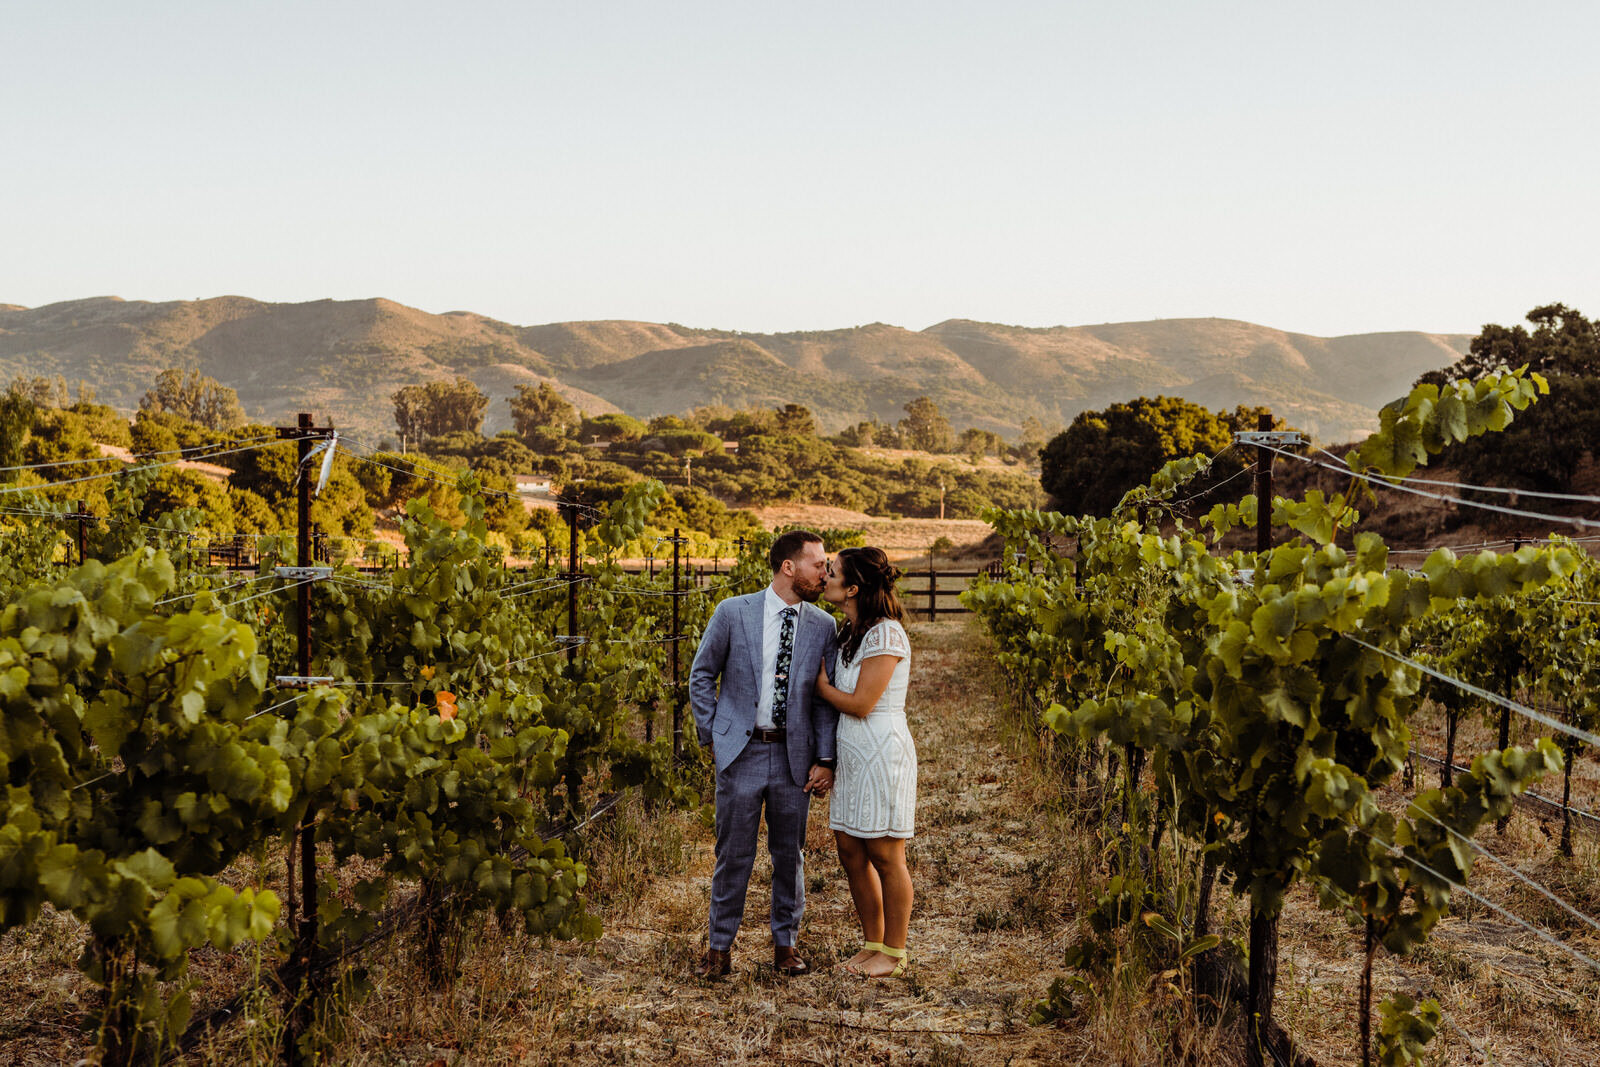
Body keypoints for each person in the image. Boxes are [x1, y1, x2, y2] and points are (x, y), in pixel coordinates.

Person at [688, 529, 839, 978]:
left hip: (795, 757)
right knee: (733, 853)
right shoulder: (733, 612)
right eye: (818, 563)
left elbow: (823, 701)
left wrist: (825, 758)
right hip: (740, 752)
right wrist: (711, 734)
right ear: (788, 567)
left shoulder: (823, 625)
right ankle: (718, 948)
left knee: (789, 855)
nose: (825, 571)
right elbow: (701, 675)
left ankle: (785, 946)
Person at [813, 546, 917, 978]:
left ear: (852, 588)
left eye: (831, 572)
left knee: (886, 853)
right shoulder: (848, 631)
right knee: (850, 849)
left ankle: (894, 952)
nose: (825, 577)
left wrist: (819, 687)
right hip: (853, 751)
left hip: (881, 750)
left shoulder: (887, 634)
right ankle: (872, 943)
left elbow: (861, 703)